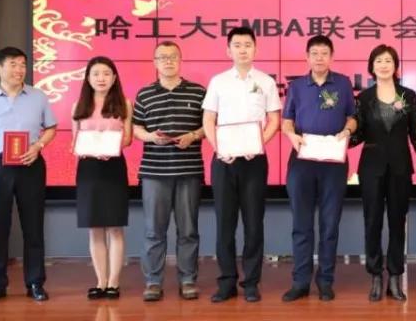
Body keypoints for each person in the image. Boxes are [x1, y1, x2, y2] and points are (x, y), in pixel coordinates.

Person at [0, 47, 57, 304]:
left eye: (22, 65)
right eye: (13, 64)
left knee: (33, 226)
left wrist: (38, 146)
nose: (19, 70)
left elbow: (51, 128)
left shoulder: (38, 96)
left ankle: (35, 283)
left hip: (30, 165)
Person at [203, 27, 281, 303]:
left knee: (253, 223)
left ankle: (251, 282)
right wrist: (219, 148)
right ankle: (226, 282)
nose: (243, 49)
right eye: (237, 45)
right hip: (224, 160)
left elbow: (274, 120)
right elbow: (208, 120)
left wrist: (258, 143)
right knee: (225, 223)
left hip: (254, 160)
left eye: (247, 44)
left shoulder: (266, 82)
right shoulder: (218, 81)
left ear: (255, 49)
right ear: (228, 50)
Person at [281, 35, 358, 302]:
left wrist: (348, 130)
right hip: (302, 160)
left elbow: (352, 117)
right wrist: (291, 135)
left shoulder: (343, 84)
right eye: (314, 53)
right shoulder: (297, 86)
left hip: (333, 163)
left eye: (324, 53)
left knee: (329, 224)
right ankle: (300, 282)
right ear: (307, 57)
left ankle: (325, 281)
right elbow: (287, 121)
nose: (319, 58)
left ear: (331, 57)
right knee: (301, 224)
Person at [133, 41, 207, 302]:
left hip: (189, 170)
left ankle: (188, 279)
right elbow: (136, 128)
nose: (168, 61)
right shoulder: (144, 94)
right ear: (155, 62)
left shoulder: (198, 92)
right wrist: (151, 137)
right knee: (154, 230)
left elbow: (209, 125)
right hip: (154, 171)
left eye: (172, 57)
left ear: (180, 60)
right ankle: (153, 281)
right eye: (162, 57)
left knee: (188, 230)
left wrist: (193, 135)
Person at [351, 44, 416, 302]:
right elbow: (357, 133)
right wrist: (338, 134)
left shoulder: (408, 95)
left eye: (388, 60)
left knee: (397, 222)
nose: (383, 65)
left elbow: (415, 133)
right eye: (378, 60)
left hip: (400, 166)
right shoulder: (363, 98)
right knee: (372, 222)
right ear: (371, 66)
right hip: (371, 167)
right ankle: (376, 276)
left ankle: (395, 276)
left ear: (395, 65)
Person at [72, 56, 134, 300]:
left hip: (113, 167)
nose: (101, 78)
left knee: (115, 227)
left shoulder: (124, 104)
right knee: (95, 228)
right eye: (96, 74)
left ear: (114, 78)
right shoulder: (78, 106)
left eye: (106, 74)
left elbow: (127, 138)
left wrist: (108, 145)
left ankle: (113, 283)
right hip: (88, 170)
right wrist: (83, 147)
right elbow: (74, 141)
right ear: (88, 78)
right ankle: (100, 281)